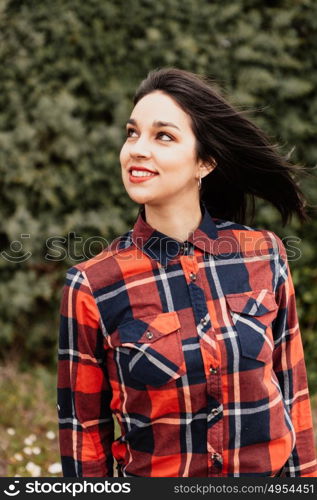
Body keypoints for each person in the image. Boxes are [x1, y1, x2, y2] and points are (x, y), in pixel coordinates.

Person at [57, 68, 317, 477]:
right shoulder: (93, 285)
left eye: (163, 136)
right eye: (132, 133)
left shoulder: (264, 255)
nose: (137, 149)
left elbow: (293, 392)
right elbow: (83, 435)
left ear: (205, 161)